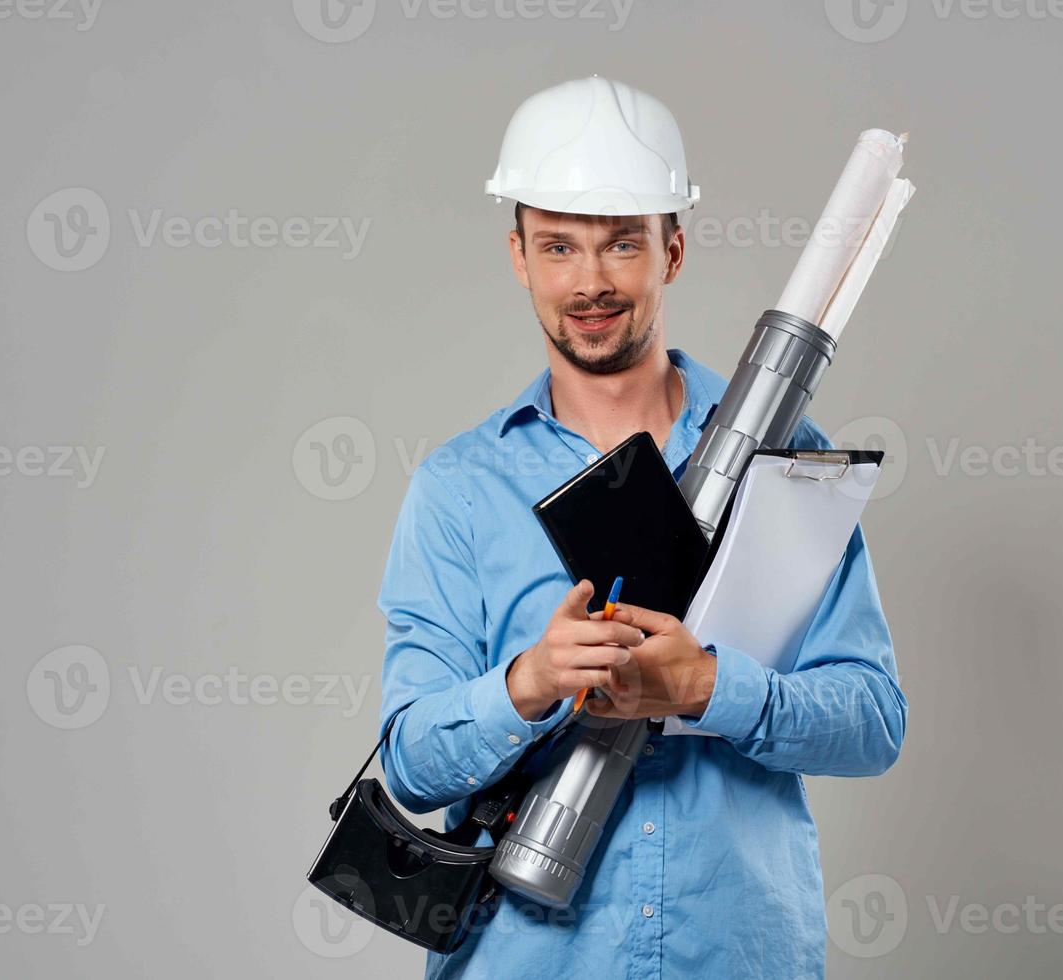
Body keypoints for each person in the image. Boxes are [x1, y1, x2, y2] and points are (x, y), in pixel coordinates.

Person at [377, 75, 907, 979]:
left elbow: (872, 720)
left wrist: (707, 687)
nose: (590, 282)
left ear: (673, 251)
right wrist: (529, 683)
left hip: (735, 955)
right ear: (519, 256)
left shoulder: (784, 462)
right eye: (557, 247)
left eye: (622, 244)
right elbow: (412, 763)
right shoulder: (463, 487)